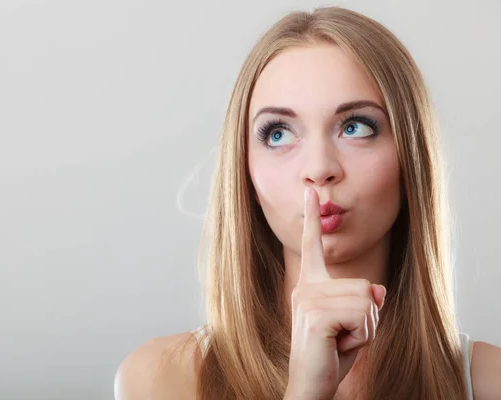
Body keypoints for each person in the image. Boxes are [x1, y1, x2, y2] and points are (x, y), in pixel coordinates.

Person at [114, 6, 501, 399]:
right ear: (243, 172)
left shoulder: (491, 382)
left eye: (356, 127)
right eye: (279, 134)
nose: (319, 169)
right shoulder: (161, 378)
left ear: (411, 161)